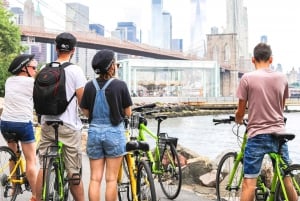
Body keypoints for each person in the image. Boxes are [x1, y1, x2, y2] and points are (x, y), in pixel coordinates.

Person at [235, 43, 297, 201]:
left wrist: (238, 119)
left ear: (252, 60)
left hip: (258, 135)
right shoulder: (282, 78)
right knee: (286, 177)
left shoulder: (247, 78)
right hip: (280, 134)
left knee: (249, 183)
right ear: (271, 59)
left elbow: (241, 110)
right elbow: (281, 106)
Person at [35, 32, 86, 201]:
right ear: (73, 50)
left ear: (56, 48)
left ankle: (37, 197)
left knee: (43, 163)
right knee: (73, 170)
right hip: (68, 126)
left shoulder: (44, 69)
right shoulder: (76, 70)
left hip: (47, 123)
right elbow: (82, 101)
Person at [80, 49, 133, 201]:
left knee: (95, 179)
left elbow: (84, 109)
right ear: (111, 67)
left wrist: (94, 117)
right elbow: (128, 112)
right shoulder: (120, 85)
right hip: (114, 134)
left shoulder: (89, 85)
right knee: (111, 180)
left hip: (94, 133)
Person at [1, 54, 38, 201]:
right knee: (31, 160)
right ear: (24, 68)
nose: (35, 71)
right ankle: (36, 196)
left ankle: (13, 189)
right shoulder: (31, 83)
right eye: (33, 68)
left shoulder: (9, 81)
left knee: (13, 154)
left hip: (5, 123)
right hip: (23, 123)